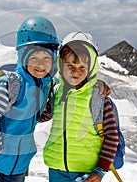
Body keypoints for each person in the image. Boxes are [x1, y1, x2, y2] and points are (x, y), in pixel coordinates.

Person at [0, 16, 60, 182]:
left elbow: (28, 117)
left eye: (46, 58)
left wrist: (43, 116)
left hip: (19, 166)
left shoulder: (45, 86)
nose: (41, 65)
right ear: (23, 56)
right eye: (34, 58)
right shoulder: (11, 83)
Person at [43, 31, 119, 182]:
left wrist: (100, 171)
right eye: (69, 65)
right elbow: (44, 115)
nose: (75, 71)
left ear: (91, 69)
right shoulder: (57, 92)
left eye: (82, 67)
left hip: (86, 172)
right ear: (60, 64)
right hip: (56, 169)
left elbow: (112, 137)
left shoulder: (99, 98)